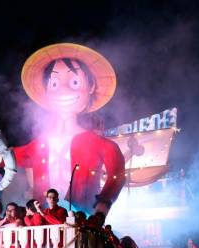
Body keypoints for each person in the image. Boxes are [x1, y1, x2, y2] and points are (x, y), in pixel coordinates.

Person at [14, 43, 126, 216]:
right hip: (42, 226)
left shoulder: (102, 145)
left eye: (74, 82)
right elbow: (10, 157)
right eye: (54, 84)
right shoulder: (39, 144)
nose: (63, 90)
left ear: (91, 87)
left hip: (82, 223)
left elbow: (116, 176)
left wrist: (101, 209)